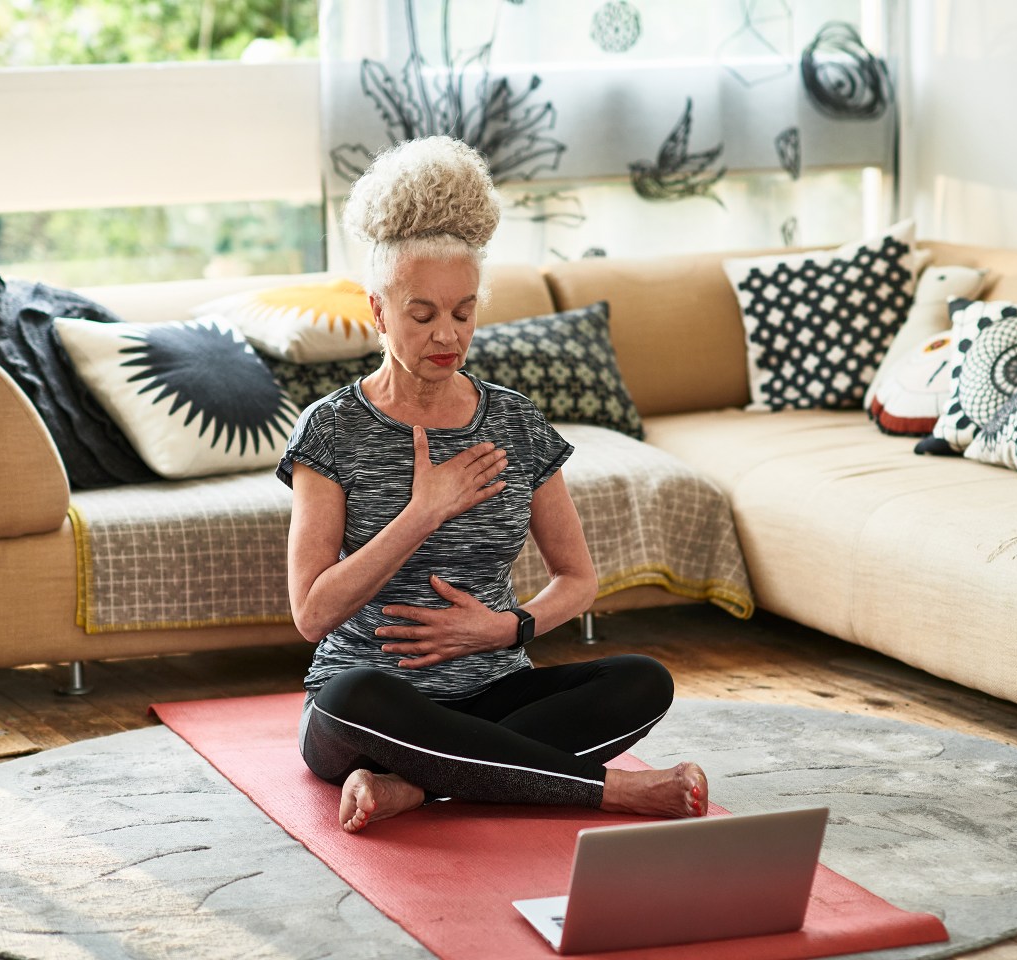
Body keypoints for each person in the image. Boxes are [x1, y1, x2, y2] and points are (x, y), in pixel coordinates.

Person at [279, 136, 708, 834]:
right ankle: (611, 793)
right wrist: (422, 512)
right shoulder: (330, 430)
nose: (447, 336)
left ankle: (418, 786)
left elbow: (577, 579)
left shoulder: (514, 422)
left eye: (464, 312)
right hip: (369, 709)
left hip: (493, 693)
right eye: (422, 315)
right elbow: (311, 614)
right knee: (355, 695)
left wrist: (505, 628)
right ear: (380, 312)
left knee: (643, 681)